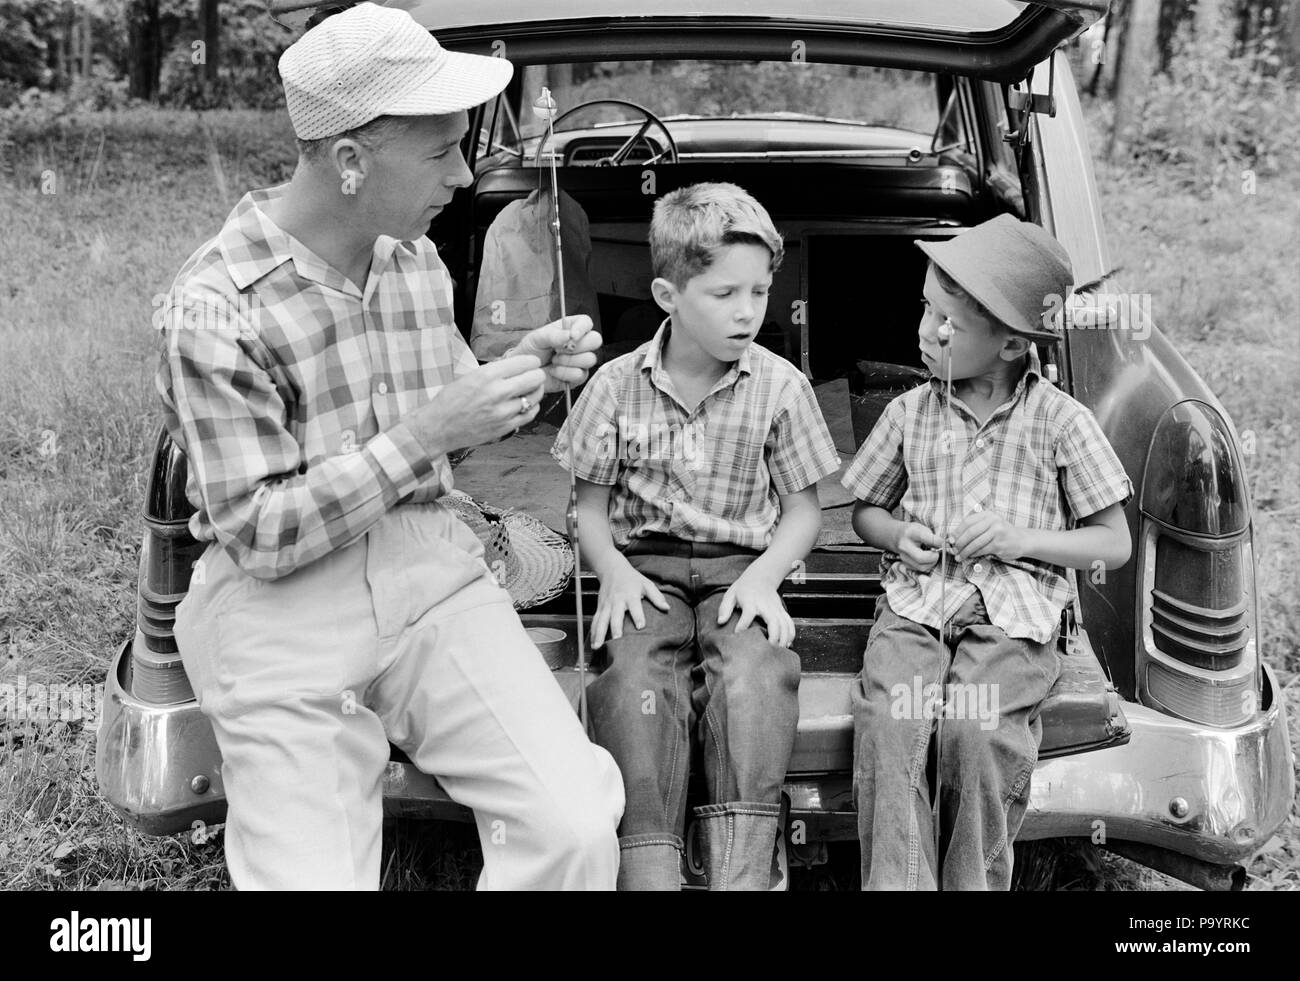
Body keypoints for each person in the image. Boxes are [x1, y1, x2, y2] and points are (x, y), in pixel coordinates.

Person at [156, 2, 623, 890]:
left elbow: (446, 412)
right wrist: (425, 435)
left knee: (576, 827)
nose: (466, 171)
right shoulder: (213, 306)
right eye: (442, 149)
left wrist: (519, 372)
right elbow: (258, 531)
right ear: (349, 160)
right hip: (276, 606)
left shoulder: (415, 261)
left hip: (431, 572)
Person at [551, 182, 841, 889]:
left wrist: (765, 576)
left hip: (740, 567)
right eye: (723, 294)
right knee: (631, 685)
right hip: (642, 567)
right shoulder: (614, 386)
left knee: (753, 677)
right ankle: (647, 869)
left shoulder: (782, 386)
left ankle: (741, 871)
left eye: (760, 292)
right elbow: (585, 508)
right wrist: (613, 571)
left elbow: (804, 511)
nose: (747, 311)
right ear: (667, 294)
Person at [843, 214, 1133, 890]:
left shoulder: (1061, 421)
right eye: (925, 309)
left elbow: (1113, 542)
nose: (924, 331)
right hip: (918, 605)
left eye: (948, 323)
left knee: (976, 737)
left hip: (1017, 617)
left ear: (1009, 345)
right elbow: (864, 511)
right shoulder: (909, 412)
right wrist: (895, 535)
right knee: (889, 722)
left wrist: (1018, 538)